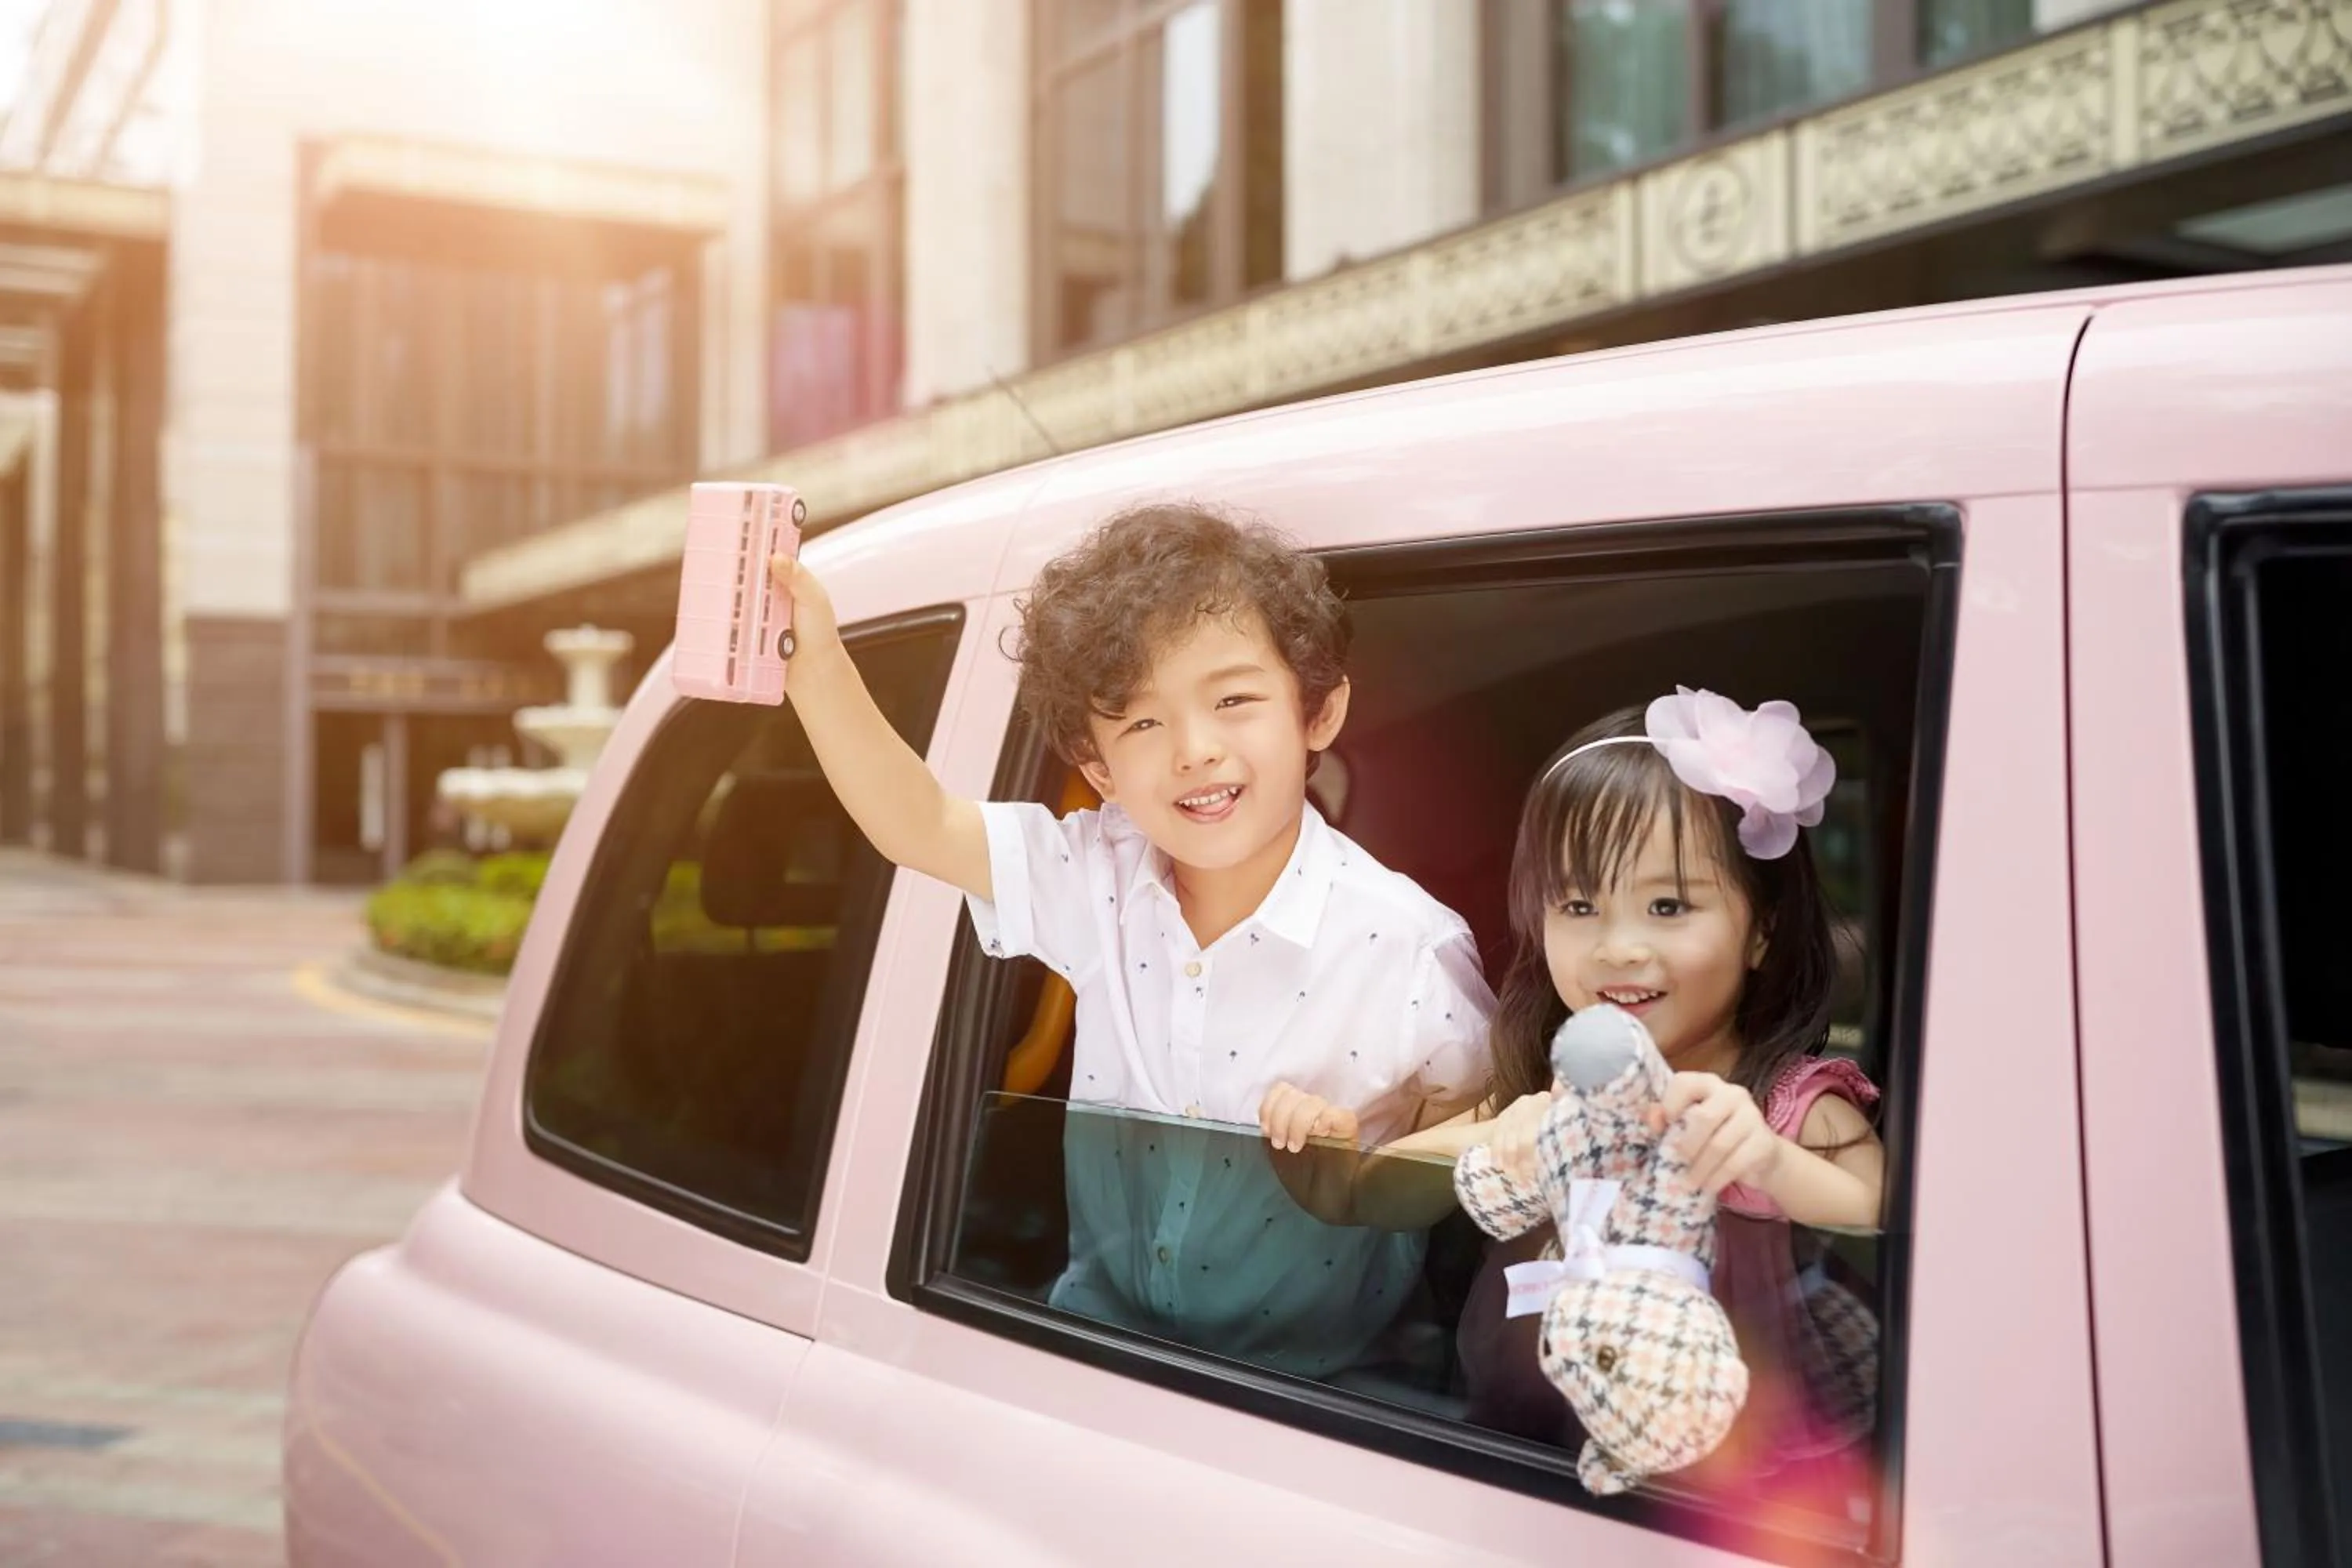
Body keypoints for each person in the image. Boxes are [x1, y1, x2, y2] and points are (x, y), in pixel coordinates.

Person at [770, 503, 1494, 1375]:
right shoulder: (1094, 877)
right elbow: (918, 822)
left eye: (1234, 699)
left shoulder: (1404, 942)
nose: (1194, 748)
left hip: (1323, 1392)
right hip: (1094, 1353)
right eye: (1143, 721)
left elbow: (1486, 1128)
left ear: (1318, 713)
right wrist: (812, 662)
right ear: (1100, 766)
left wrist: (1370, 1166)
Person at [1366, 689, 1886, 1494]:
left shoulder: (1787, 1101)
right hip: (1529, 1454)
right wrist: (1506, 1132)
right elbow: (1388, 1180)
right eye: (1578, 904)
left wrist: (1770, 1159)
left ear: (1761, 929)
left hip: (1744, 1483)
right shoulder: (1553, 1085)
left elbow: (1877, 1208)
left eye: (1669, 904)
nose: (1618, 946)